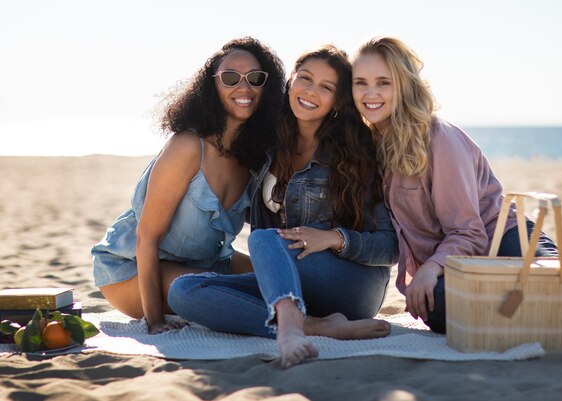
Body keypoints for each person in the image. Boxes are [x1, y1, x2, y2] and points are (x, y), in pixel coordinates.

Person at [168, 44, 398, 368]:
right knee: (183, 291)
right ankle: (317, 326)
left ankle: (289, 332)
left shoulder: (356, 155)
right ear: (290, 81)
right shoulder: (266, 146)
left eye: (326, 87)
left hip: (353, 286)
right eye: (305, 78)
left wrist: (334, 238)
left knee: (263, 238)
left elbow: (390, 247)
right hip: (290, 283)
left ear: (338, 101)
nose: (310, 91)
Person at [350, 36, 562, 334]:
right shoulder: (367, 146)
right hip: (456, 265)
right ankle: (534, 318)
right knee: (437, 307)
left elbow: (469, 231)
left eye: (383, 82)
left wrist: (430, 269)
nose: (371, 93)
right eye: (361, 82)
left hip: (503, 238)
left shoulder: (438, 138)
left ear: (404, 85)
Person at [91, 37, 285, 334]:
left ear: (266, 87)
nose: (243, 87)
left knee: (282, 279)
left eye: (255, 78)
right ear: (212, 86)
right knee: (220, 288)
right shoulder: (188, 146)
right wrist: (154, 321)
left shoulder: (251, 157)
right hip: (135, 271)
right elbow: (146, 237)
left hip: (207, 265)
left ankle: (305, 316)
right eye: (230, 78)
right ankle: (310, 326)